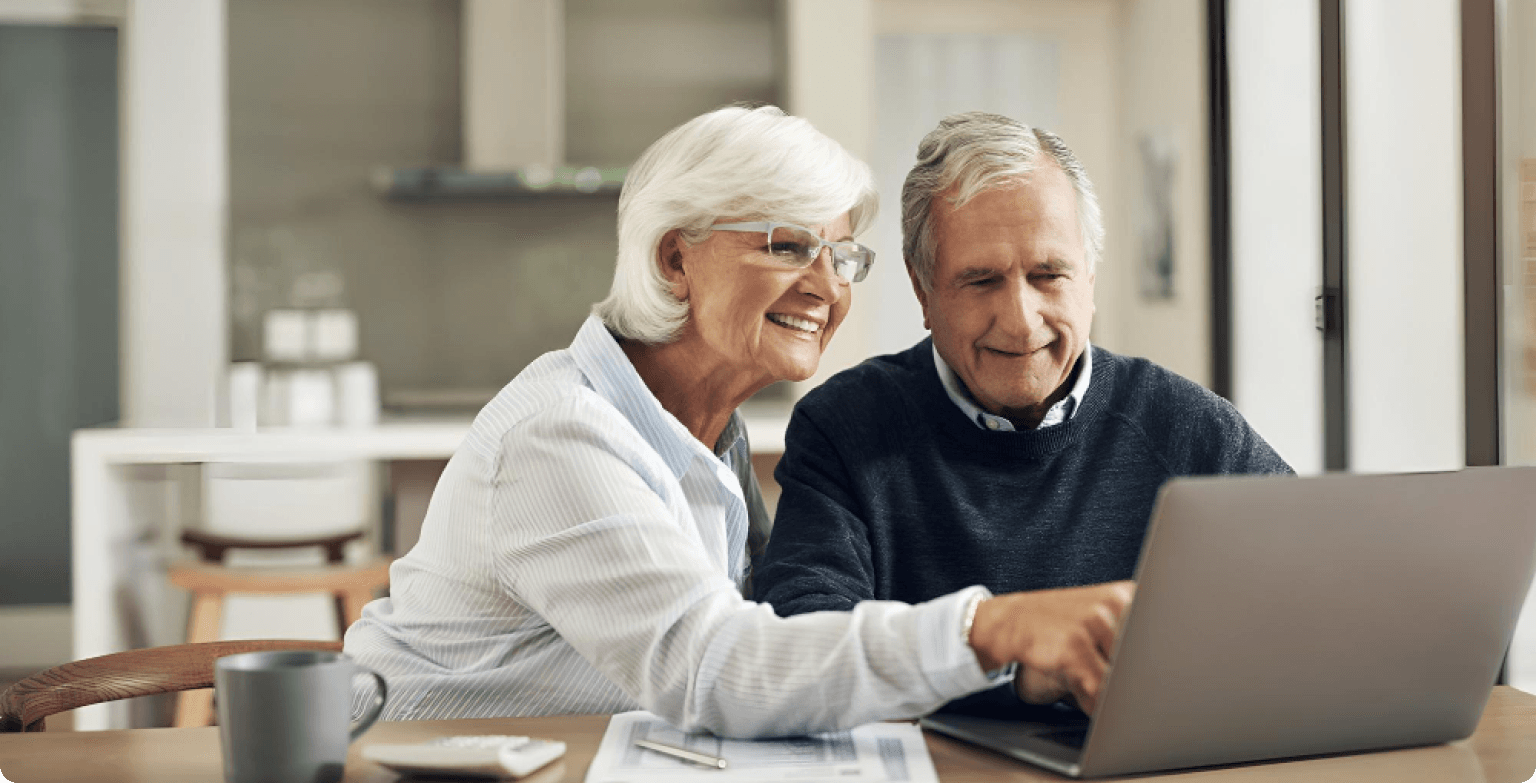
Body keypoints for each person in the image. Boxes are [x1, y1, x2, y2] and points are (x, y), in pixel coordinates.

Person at [344, 104, 1131, 739]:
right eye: (789, 246)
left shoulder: (708, 436)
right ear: (674, 261)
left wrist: (1020, 667)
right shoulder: (559, 434)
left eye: (841, 254)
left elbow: (781, 649)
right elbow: (715, 670)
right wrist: (991, 628)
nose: (826, 285)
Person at [753, 112, 1293, 717]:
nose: (1020, 319)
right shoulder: (845, 426)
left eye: (1048, 275)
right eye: (981, 281)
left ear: (1089, 275)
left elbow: (1314, 588)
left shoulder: (1189, 427)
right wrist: (1011, 671)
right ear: (922, 289)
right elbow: (799, 643)